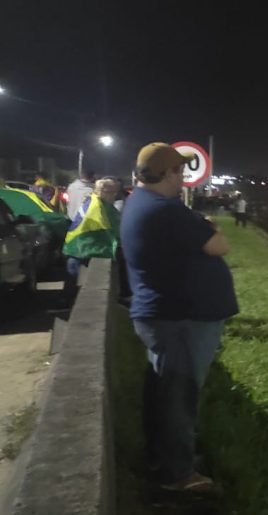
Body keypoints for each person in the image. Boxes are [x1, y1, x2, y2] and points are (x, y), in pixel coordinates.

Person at [121, 143, 238, 494]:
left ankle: (164, 458)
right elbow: (219, 245)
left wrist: (200, 226)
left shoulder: (145, 204)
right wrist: (205, 228)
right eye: (180, 172)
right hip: (180, 318)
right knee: (178, 397)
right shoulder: (165, 211)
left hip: (168, 315)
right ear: (168, 173)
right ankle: (178, 474)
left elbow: (199, 236)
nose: (184, 179)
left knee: (165, 391)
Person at [62, 178, 122, 307]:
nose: (114, 195)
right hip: (87, 246)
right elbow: (110, 227)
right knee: (77, 274)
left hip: (79, 245)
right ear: (103, 191)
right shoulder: (98, 206)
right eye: (112, 192)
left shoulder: (95, 201)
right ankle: (68, 301)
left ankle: (67, 300)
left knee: (72, 274)